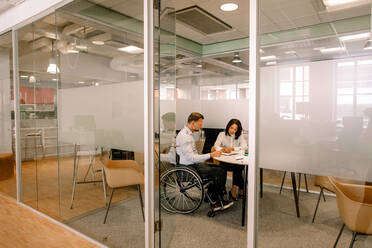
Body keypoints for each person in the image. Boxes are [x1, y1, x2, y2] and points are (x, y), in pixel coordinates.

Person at [176, 112, 233, 211]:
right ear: (193, 123)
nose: (201, 126)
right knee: (219, 171)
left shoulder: (187, 134)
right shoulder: (185, 137)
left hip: (192, 165)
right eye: (200, 123)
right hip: (189, 168)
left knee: (221, 168)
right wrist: (211, 155)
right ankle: (216, 201)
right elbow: (192, 158)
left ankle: (213, 195)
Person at [214, 119, 248, 201]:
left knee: (239, 166)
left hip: (235, 160)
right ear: (228, 126)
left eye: (235, 129)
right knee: (236, 168)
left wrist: (233, 148)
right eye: (231, 128)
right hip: (225, 161)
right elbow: (216, 146)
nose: (233, 131)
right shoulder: (222, 134)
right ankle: (238, 189)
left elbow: (245, 146)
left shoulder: (239, 135)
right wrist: (223, 149)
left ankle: (234, 189)